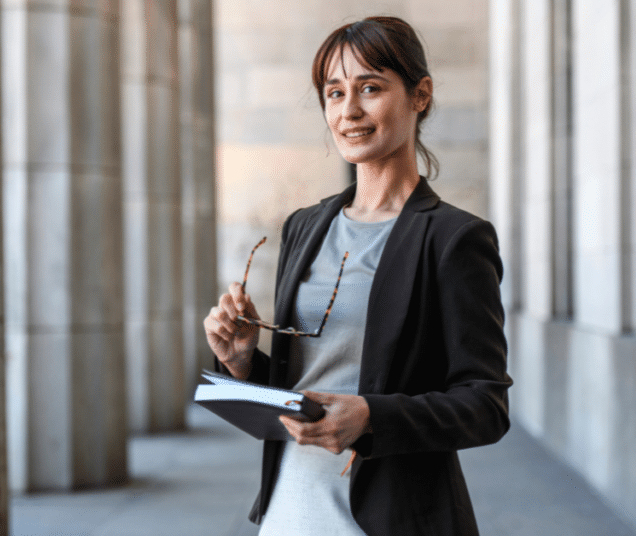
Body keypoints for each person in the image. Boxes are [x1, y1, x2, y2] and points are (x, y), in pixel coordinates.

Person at [203, 16, 512, 536]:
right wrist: (240, 362)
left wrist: (373, 417)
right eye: (334, 92)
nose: (349, 111)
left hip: (394, 517)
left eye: (370, 88)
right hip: (291, 508)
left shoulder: (455, 239)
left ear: (420, 95)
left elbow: (486, 404)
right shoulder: (305, 226)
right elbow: (304, 386)